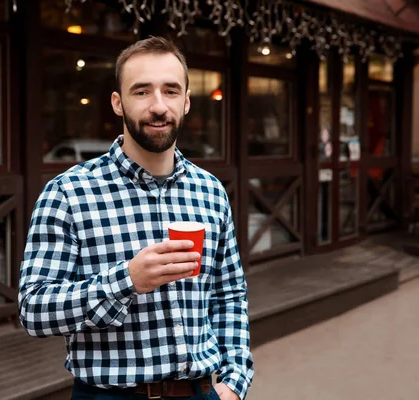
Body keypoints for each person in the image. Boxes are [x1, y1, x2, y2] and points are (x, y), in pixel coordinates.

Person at [19, 36, 253, 400]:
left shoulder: (210, 191)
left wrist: (235, 381)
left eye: (171, 91)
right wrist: (126, 281)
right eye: (142, 92)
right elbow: (34, 311)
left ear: (187, 101)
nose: (158, 106)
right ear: (118, 102)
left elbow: (229, 294)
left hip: (202, 392)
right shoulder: (68, 193)